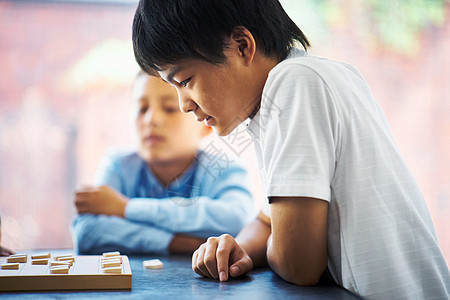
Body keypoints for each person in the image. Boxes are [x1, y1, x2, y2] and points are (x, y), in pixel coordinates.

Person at [131, 0, 450, 299]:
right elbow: (268, 221)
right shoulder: (312, 77)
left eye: (184, 81)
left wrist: (281, 242)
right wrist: (239, 247)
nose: (183, 104)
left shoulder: (293, 85)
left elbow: (299, 265)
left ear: (242, 46)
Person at [71, 71, 254, 255]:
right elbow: (87, 232)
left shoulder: (224, 167)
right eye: (142, 109)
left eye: (169, 108)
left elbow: (236, 220)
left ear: (205, 123)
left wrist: (125, 208)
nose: (151, 120)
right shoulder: (118, 165)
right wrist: (178, 243)